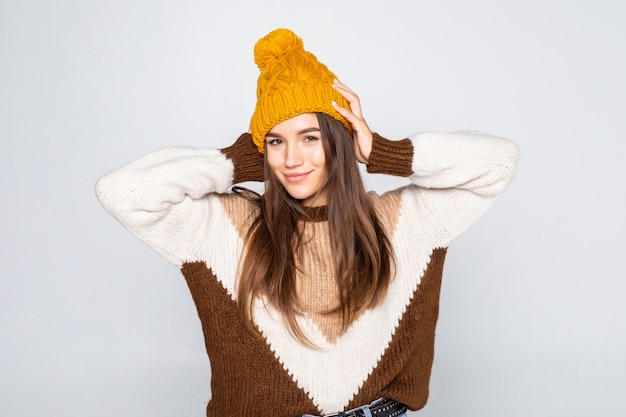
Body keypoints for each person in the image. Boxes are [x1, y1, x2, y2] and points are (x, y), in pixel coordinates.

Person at [96, 28, 520, 417]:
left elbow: (499, 161)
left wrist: (381, 151)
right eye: (276, 141)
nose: (291, 159)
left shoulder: (403, 221)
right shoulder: (225, 226)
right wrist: (245, 158)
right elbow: (123, 192)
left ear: (341, 140)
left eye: (310, 137)